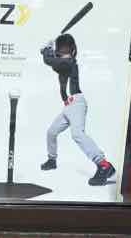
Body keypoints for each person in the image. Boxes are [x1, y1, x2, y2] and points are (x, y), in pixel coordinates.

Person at [40, 33, 115, 186]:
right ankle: (52, 160)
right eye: (61, 48)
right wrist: (47, 51)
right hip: (68, 107)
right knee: (51, 132)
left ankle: (103, 164)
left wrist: (46, 50)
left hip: (77, 104)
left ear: (73, 50)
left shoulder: (69, 63)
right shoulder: (62, 65)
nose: (64, 51)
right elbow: (52, 63)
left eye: (67, 48)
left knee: (77, 134)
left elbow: (50, 61)